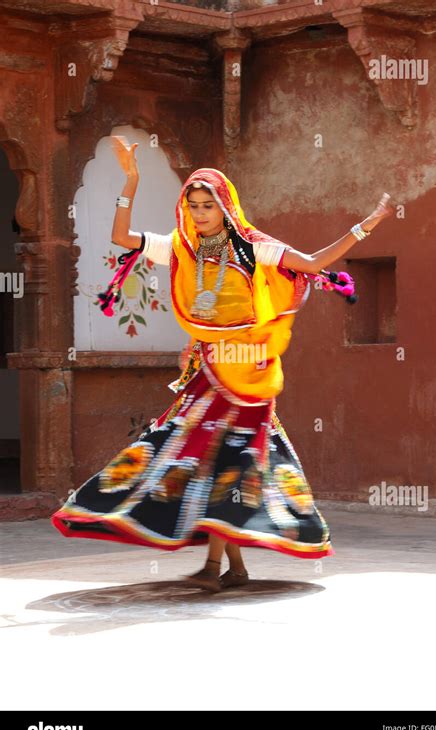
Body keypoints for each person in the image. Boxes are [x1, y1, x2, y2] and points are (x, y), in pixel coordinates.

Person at [51, 136, 394, 593]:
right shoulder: (181, 247)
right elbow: (121, 238)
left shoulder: (253, 249)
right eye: (192, 206)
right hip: (206, 371)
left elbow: (313, 263)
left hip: (248, 370)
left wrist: (366, 226)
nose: (199, 214)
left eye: (207, 206)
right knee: (212, 463)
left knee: (224, 462)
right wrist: (130, 181)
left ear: (225, 206)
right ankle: (227, 567)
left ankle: (219, 568)